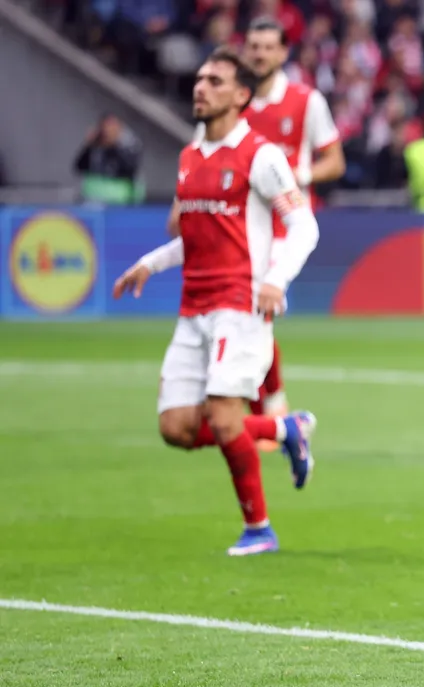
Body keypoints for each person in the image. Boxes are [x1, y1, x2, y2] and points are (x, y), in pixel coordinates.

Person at [111, 47, 320, 557]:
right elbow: (198, 235)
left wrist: (276, 279)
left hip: (240, 304)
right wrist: (151, 263)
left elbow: (303, 226)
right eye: (200, 78)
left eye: (215, 81)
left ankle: (259, 529)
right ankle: (284, 428)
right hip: (193, 307)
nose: (201, 87)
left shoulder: (261, 156)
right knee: (176, 427)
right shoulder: (190, 156)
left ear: (241, 95)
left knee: (224, 417)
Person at [168, 17, 346, 445]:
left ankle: (271, 408)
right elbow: (200, 161)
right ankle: (269, 415)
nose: (260, 54)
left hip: (280, 227)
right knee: (251, 316)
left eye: (268, 47)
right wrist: (180, 208)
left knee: (253, 310)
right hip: (233, 224)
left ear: (284, 53)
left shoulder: (306, 101)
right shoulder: (224, 99)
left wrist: (294, 174)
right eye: (254, 46)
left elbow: (335, 162)